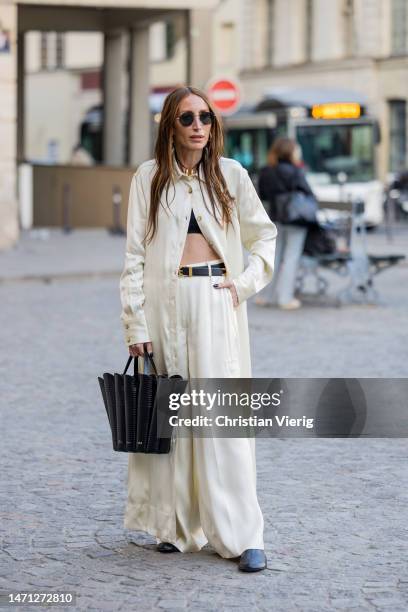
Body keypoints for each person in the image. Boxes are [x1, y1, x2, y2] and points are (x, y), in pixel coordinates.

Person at [119, 86, 277, 572]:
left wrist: (242, 284)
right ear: (170, 124)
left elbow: (264, 235)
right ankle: (179, 527)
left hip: (215, 301)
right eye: (187, 117)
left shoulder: (230, 176)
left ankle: (242, 534)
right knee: (175, 417)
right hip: (166, 308)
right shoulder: (149, 179)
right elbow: (134, 256)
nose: (197, 125)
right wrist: (135, 322)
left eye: (205, 117)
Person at [256, 137, 315, 310]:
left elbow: (263, 195)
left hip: (274, 218)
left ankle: (265, 296)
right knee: (291, 257)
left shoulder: (266, 170)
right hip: (295, 219)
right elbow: (308, 192)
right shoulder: (296, 171)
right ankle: (285, 298)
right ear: (290, 151)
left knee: (274, 257)